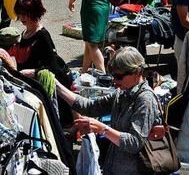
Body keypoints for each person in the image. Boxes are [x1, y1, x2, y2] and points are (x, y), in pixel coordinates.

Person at [56, 46, 160, 175]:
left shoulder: (145, 100)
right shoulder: (122, 93)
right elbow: (90, 107)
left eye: (119, 76)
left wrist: (102, 129)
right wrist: (56, 85)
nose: (115, 81)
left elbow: (134, 142)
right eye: (113, 76)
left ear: (137, 72)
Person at [6, 0, 71, 85]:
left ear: (35, 13)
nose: (22, 17)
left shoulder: (42, 36)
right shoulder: (25, 33)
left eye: (26, 14)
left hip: (40, 85)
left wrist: (33, 72)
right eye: (20, 13)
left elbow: (54, 69)